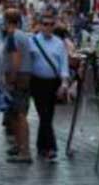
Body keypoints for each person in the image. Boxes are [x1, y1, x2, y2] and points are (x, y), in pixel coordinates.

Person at [29, 13, 71, 161]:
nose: (48, 27)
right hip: (37, 82)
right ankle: (52, 148)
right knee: (44, 115)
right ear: (39, 26)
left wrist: (64, 84)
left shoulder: (59, 43)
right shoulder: (32, 41)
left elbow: (64, 65)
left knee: (48, 115)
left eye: (51, 24)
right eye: (45, 24)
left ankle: (41, 146)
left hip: (53, 83)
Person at [0, 9, 34, 163]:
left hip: (18, 77)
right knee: (15, 114)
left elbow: (16, 59)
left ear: (7, 21)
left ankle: (25, 151)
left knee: (20, 114)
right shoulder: (21, 35)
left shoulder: (13, 35)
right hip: (22, 75)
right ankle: (20, 146)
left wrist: (12, 78)